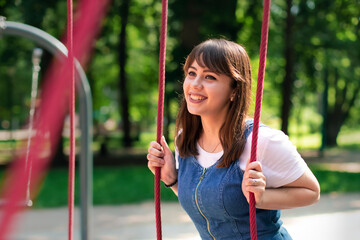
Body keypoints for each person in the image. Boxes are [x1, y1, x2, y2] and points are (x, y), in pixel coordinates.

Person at [147, 39, 320, 240]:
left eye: (209, 77)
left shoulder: (261, 141)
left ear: (234, 90)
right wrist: (172, 179)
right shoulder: (185, 139)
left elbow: (312, 192)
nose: (195, 84)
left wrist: (262, 198)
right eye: (191, 73)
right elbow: (208, 205)